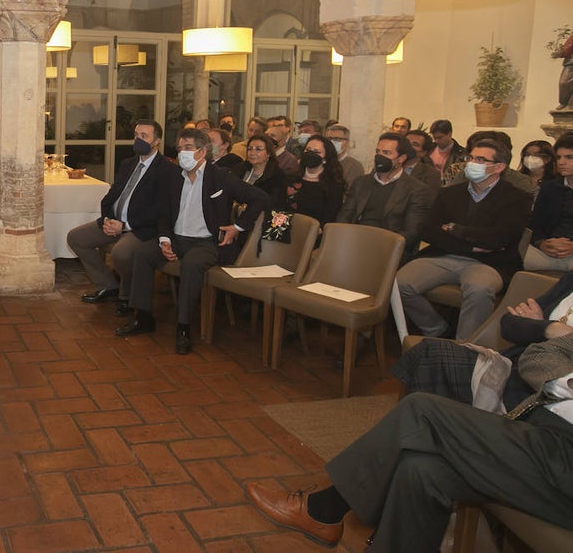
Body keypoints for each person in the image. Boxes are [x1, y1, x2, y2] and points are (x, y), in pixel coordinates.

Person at [246, 380, 573, 551]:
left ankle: (324, 510)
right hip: (548, 435)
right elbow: (537, 353)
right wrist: (549, 332)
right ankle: (326, 514)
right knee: (420, 469)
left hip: (564, 457)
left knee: (422, 411)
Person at [117, 128, 268, 354]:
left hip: (205, 242)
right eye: (179, 149)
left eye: (188, 148)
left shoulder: (221, 177)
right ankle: (143, 316)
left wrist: (237, 227)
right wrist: (165, 240)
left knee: (192, 264)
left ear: (202, 151)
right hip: (177, 238)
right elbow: (164, 214)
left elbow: (260, 198)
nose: (182, 154)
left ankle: (184, 327)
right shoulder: (174, 179)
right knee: (142, 253)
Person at [396, 139, 532, 339]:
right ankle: (436, 329)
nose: (471, 163)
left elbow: (500, 238)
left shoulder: (517, 198)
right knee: (399, 283)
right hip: (443, 256)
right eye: (471, 157)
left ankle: (465, 346)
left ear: (499, 167)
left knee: (479, 289)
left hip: (490, 263)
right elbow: (428, 231)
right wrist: (471, 246)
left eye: (480, 159)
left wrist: (455, 229)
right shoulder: (450, 194)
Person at [395, 270, 573, 412]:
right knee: (429, 353)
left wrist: (537, 325)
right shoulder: (569, 281)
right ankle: (417, 437)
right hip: (511, 363)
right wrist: (551, 329)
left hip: (538, 385)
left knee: (433, 357)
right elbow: (508, 325)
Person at [67, 120, 180, 314]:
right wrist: (107, 219)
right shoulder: (128, 163)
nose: (138, 139)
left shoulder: (167, 170)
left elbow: (160, 210)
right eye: (136, 135)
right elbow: (111, 197)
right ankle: (108, 286)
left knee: (121, 253)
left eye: (144, 136)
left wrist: (125, 225)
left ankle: (129, 295)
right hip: (115, 222)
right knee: (76, 238)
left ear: (156, 141)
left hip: (141, 228)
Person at [337, 132, 433, 261]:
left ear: (401, 158)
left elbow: (411, 232)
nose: (379, 157)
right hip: (356, 242)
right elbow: (345, 215)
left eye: (387, 153)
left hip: (389, 249)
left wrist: (378, 246)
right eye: (378, 152)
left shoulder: (416, 189)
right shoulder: (361, 182)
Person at [525, 134, 573, 272]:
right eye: (559, 157)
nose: (562, 162)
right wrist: (542, 243)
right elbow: (535, 224)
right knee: (514, 256)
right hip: (547, 249)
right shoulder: (550, 188)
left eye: (569, 157)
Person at [284, 135, 345, 230]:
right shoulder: (290, 178)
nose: (310, 154)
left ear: (325, 158)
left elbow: (330, 218)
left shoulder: (333, 185)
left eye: (316, 152)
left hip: (314, 234)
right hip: (286, 230)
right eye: (308, 150)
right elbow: (280, 208)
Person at [238, 134, 289, 210]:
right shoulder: (240, 169)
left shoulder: (277, 177)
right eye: (249, 149)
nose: (252, 153)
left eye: (258, 149)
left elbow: (277, 206)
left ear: (268, 153)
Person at [428, 118, 466, 185]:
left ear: (449, 134)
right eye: (434, 138)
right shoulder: (429, 148)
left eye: (440, 137)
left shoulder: (461, 153)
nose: (436, 141)